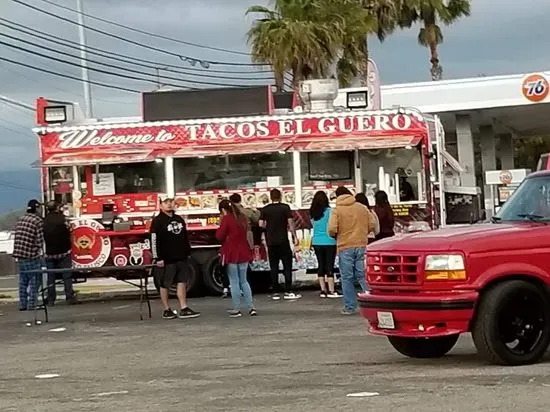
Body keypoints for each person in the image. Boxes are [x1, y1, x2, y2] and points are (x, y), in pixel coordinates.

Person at [151, 195, 200, 319]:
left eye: (171, 202)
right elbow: (154, 239)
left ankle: (183, 307)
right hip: (166, 258)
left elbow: (184, 237)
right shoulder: (157, 221)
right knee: (164, 283)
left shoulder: (179, 219)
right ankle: (166, 309)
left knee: (182, 281)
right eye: (166, 202)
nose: (169, 204)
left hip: (181, 256)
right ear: (161, 205)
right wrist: (157, 257)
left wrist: (187, 252)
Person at [328, 187, 375, 315]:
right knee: (362, 275)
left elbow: (332, 229)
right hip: (361, 245)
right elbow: (372, 225)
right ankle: (372, 302)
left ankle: (350, 306)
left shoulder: (337, 210)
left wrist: (336, 236)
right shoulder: (361, 208)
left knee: (347, 277)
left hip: (345, 246)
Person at [216, 199, 257, 317]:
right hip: (244, 252)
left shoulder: (226, 219)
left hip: (231, 253)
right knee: (244, 281)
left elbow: (219, 236)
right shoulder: (242, 217)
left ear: (223, 210)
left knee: (234, 281)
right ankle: (251, 307)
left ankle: (236, 308)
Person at [259, 188, 301, 300]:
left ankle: (275, 291)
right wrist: (294, 236)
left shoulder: (265, 209)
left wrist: (268, 227)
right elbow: (291, 223)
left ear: (270, 197)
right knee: (287, 265)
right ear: (280, 196)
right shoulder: (285, 207)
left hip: (271, 242)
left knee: (274, 266)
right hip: (283, 240)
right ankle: (288, 290)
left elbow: (261, 224)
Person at [43, 201, 78, 306]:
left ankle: (50, 300)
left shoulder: (43, 221)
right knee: (67, 276)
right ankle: (69, 297)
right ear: (57, 208)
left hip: (49, 253)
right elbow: (71, 229)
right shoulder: (63, 219)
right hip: (63, 252)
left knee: (51, 277)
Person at [12, 199, 44, 312]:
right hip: (30, 255)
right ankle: (32, 304)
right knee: (35, 279)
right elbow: (40, 241)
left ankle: (22, 304)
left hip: (19, 254)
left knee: (23, 280)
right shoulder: (37, 221)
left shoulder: (20, 219)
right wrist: (37, 253)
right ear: (36, 208)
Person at [309, 191, 339, 298]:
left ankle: (323, 290)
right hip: (330, 241)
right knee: (329, 265)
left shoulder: (312, 213)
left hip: (316, 241)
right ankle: (331, 290)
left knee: (320, 265)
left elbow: (313, 225)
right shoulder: (331, 211)